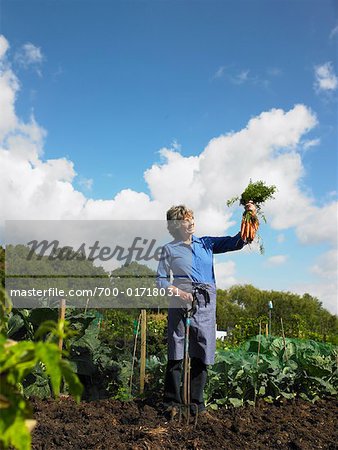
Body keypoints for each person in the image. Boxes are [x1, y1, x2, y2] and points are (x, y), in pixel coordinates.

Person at [156, 203, 256, 417]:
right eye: (185, 219)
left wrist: (250, 215)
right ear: (176, 225)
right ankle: (172, 404)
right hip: (180, 301)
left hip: (205, 301)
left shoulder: (206, 243)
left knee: (202, 351)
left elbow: (238, 241)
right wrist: (179, 293)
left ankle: (196, 405)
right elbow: (161, 280)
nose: (191, 222)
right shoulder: (169, 249)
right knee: (176, 350)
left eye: (191, 218)